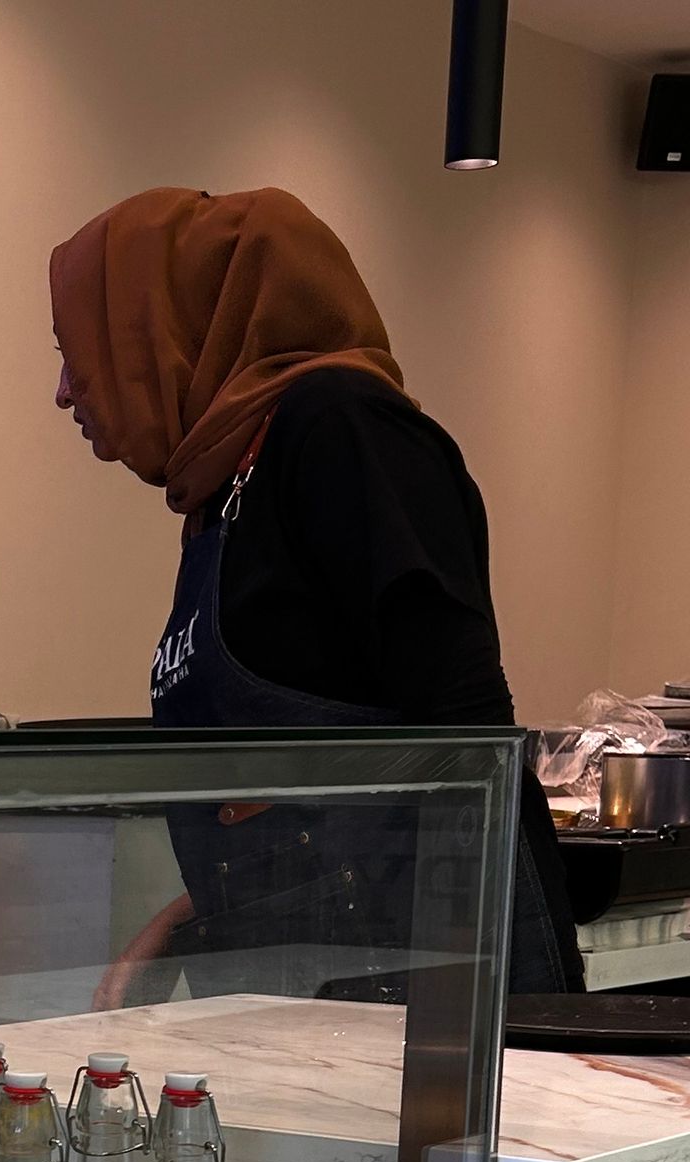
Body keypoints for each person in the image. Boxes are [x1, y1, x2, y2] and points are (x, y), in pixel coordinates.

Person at [48, 184, 581, 1001]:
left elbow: (464, 743)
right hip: (309, 996)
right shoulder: (223, 490)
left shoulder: (340, 427)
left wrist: (462, 1021)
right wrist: (185, 921)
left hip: (416, 994)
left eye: (77, 349)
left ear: (157, 327)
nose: (64, 389)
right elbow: (295, 802)